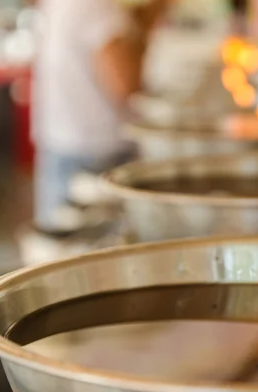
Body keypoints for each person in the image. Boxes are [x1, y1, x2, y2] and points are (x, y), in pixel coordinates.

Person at [32, 0, 170, 235]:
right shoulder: (96, 6)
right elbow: (126, 83)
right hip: (96, 157)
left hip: (62, 145)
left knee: (59, 254)